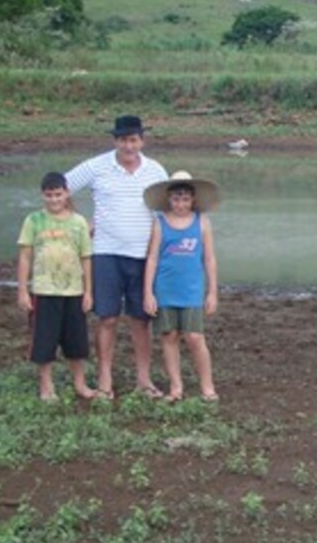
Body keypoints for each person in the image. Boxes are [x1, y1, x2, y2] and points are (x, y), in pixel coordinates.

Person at [65, 115, 168, 400]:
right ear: (115, 141)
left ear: (142, 141)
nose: (128, 146)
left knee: (141, 320)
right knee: (107, 318)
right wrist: (79, 222)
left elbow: (165, 213)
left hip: (142, 255)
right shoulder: (97, 166)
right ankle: (105, 379)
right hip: (105, 253)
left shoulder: (156, 171)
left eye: (133, 140)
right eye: (123, 140)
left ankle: (144, 380)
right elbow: (62, 187)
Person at [16, 171, 96, 401]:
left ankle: (80, 384)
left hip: (73, 291)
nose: (54, 200)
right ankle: (46, 386)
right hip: (43, 290)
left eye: (58, 194)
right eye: (49, 195)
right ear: (42, 195)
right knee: (44, 340)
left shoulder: (79, 222)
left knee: (77, 341)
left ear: (67, 193)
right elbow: (24, 256)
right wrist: (23, 290)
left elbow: (86, 258)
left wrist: (88, 291)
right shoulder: (33, 221)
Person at [142, 170, 220, 403]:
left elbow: (209, 259)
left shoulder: (202, 222)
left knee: (195, 337)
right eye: (176, 198)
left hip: (192, 291)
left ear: (193, 199)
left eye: (185, 198)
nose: (181, 203)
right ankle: (176, 387)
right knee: (169, 335)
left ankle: (207, 386)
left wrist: (213, 292)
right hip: (165, 290)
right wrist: (148, 292)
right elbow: (153, 258)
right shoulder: (160, 223)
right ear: (169, 199)